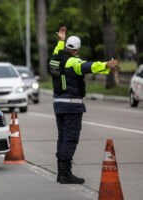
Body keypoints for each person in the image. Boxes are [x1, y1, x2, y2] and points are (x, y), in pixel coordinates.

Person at [49, 26, 118, 184]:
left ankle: (61, 173)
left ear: (66, 47)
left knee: (62, 138)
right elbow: (88, 66)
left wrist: (60, 40)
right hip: (72, 105)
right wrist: (105, 65)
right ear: (77, 50)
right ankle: (65, 174)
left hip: (58, 104)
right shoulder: (73, 61)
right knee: (70, 138)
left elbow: (57, 51)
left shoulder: (55, 59)